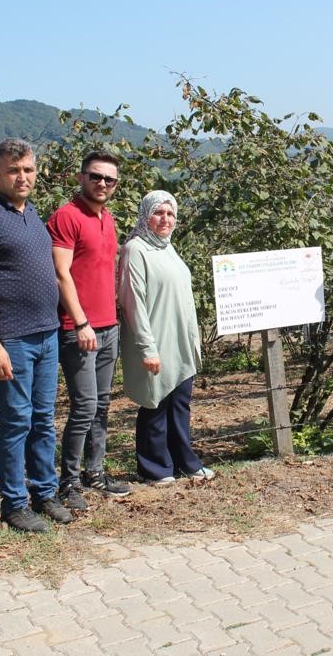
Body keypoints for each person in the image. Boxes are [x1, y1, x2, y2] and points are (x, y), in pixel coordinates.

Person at [0, 138, 72, 532]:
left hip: (46, 335)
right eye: (13, 170)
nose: (22, 177)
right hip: (12, 340)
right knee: (17, 421)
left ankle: (45, 493)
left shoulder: (31, 213)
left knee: (43, 419)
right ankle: (14, 503)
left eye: (28, 170)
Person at [47, 151, 131, 510]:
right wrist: (80, 322)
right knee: (83, 407)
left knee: (101, 405)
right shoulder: (66, 217)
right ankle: (68, 482)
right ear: (81, 177)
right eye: (96, 177)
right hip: (78, 328)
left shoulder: (106, 218)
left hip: (107, 325)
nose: (102, 184)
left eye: (109, 180)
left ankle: (94, 473)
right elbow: (60, 273)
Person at [118, 190, 214, 484]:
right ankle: (155, 468)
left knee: (179, 405)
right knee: (155, 405)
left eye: (170, 214)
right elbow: (133, 302)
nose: (165, 219)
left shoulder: (167, 248)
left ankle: (185, 462)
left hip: (179, 342)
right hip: (156, 341)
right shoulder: (136, 250)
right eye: (159, 213)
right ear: (146, 215)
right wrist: (147, 348)